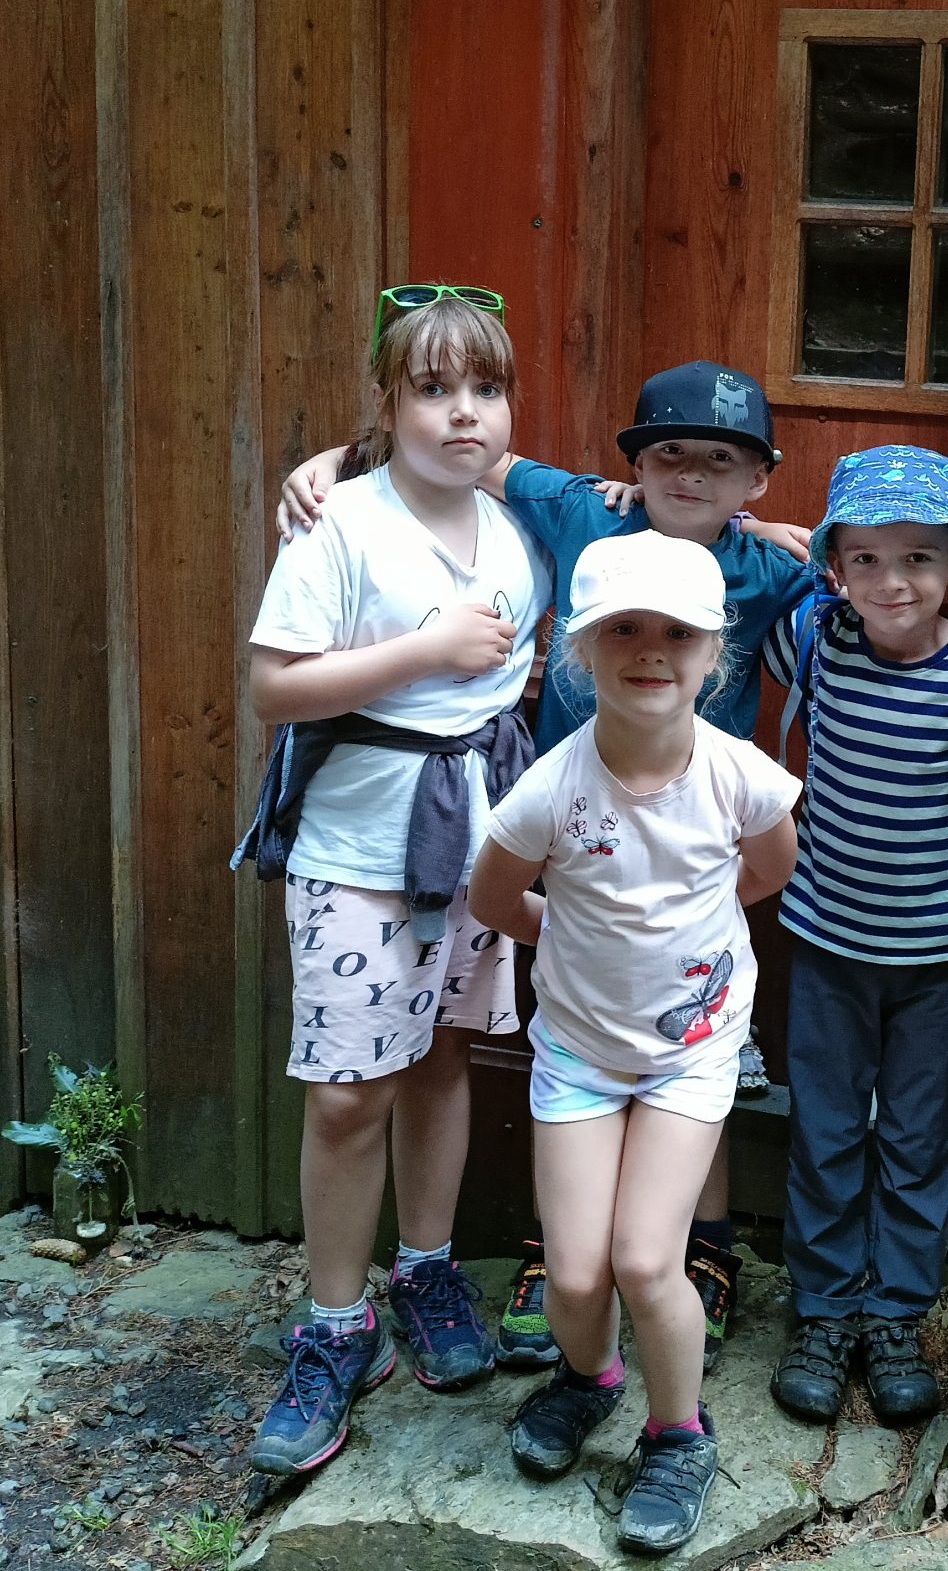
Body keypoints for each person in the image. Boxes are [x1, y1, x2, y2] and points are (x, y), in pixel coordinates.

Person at [278, 359, 948, 1369]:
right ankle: (558, 1255)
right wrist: (338, 459)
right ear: (633, 464)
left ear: (756, 478)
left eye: (720, 461)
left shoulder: (773, 569)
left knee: (694, 1050)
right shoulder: (580, 512)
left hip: (697, 857)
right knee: (568, 1045)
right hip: (573, 846)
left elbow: (885, 580)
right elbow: (464, 451)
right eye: (669, 453)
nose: (690, 475)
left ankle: (698, 1249)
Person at [234, 285, 547, 1476]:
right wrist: (424, 651)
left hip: (473, 843)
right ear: (386, 402)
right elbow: (276, 687)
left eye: (486, 388)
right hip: (357, 854)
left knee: (441, 1058)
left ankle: (423, 1270)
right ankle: (336, 1325)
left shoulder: (515, 532)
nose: (464, 412)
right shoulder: (342, 528)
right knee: (345, 1093)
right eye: (433, 388)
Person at [467, 532, 802, 1557]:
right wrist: (576, 931)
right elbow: (494, 901)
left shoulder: (740, 776)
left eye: (676, 633)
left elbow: (766, 874)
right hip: (578, 1051)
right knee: (574, 1277)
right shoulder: (550, 789)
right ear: (580, 651)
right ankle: (591, 1379)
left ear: (713, 655)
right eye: (623, 630)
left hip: (690, 1052)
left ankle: (678, 1432)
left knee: (648, 1260)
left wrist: (684, 940)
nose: (651, 650)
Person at [761, 446, 948, 1428]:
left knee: (919, 1142)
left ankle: (895, 1316)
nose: (891, 582)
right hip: (827, 944)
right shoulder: (811, 639)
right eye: (866, 558)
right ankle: (824, 1310)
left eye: (919, 558)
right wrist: (758, 525)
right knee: (826, 1132)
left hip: (940, 960)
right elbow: (737, 570)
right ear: (835, 565)